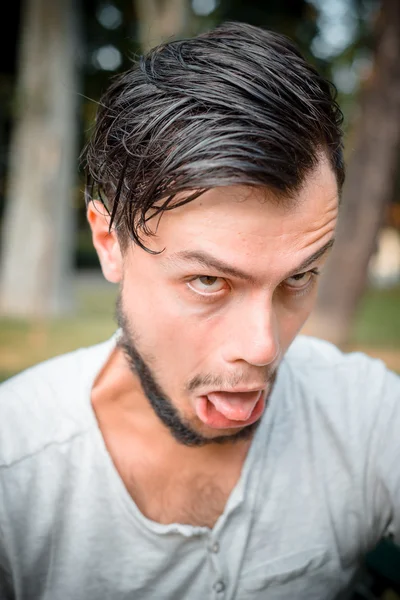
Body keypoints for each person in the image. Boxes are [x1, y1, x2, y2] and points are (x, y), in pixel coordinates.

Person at [0, 21, 399, 600]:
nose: (263, 346)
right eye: (208, 280)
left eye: (299, 277)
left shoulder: (362, 416)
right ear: (110, 244)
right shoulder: (16, 466)